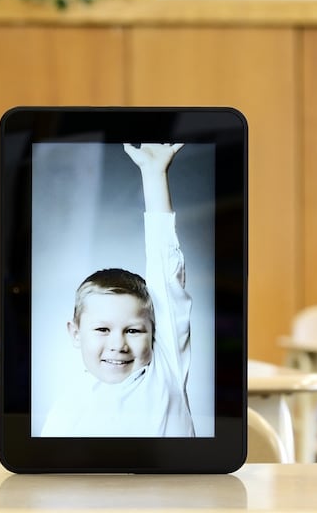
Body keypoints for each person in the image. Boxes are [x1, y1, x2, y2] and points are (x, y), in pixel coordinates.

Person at [41, 143, 194, 437]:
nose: (118, 344)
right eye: (102, 330)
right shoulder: (67, 408)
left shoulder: (166, 370)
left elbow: (166, 269)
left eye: (133, 331)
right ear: (75, 333)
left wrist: (154, 174)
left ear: (156, 332)